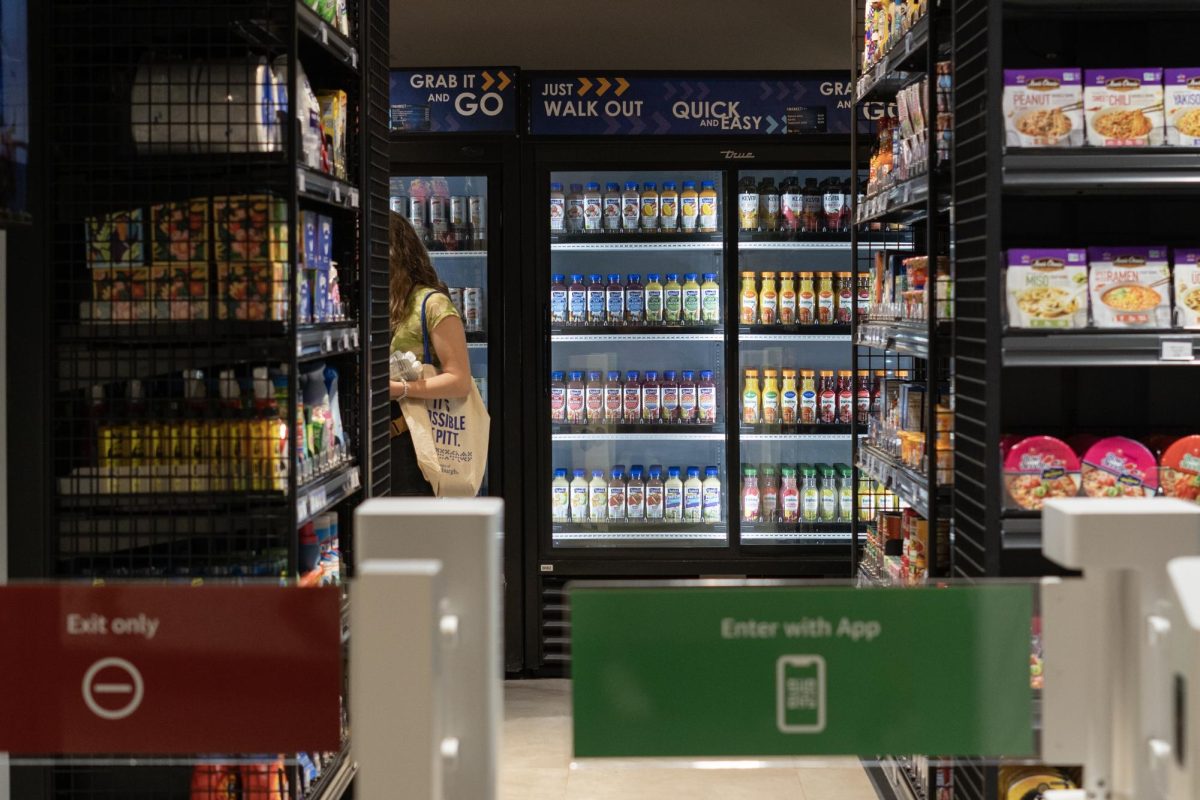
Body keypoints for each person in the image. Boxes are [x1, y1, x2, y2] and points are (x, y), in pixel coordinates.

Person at [389, 213, 473, 496]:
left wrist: (399, 389)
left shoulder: (432, 304)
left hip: (417, 440)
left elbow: (459, 380)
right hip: (379, 440)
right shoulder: (377, 300)